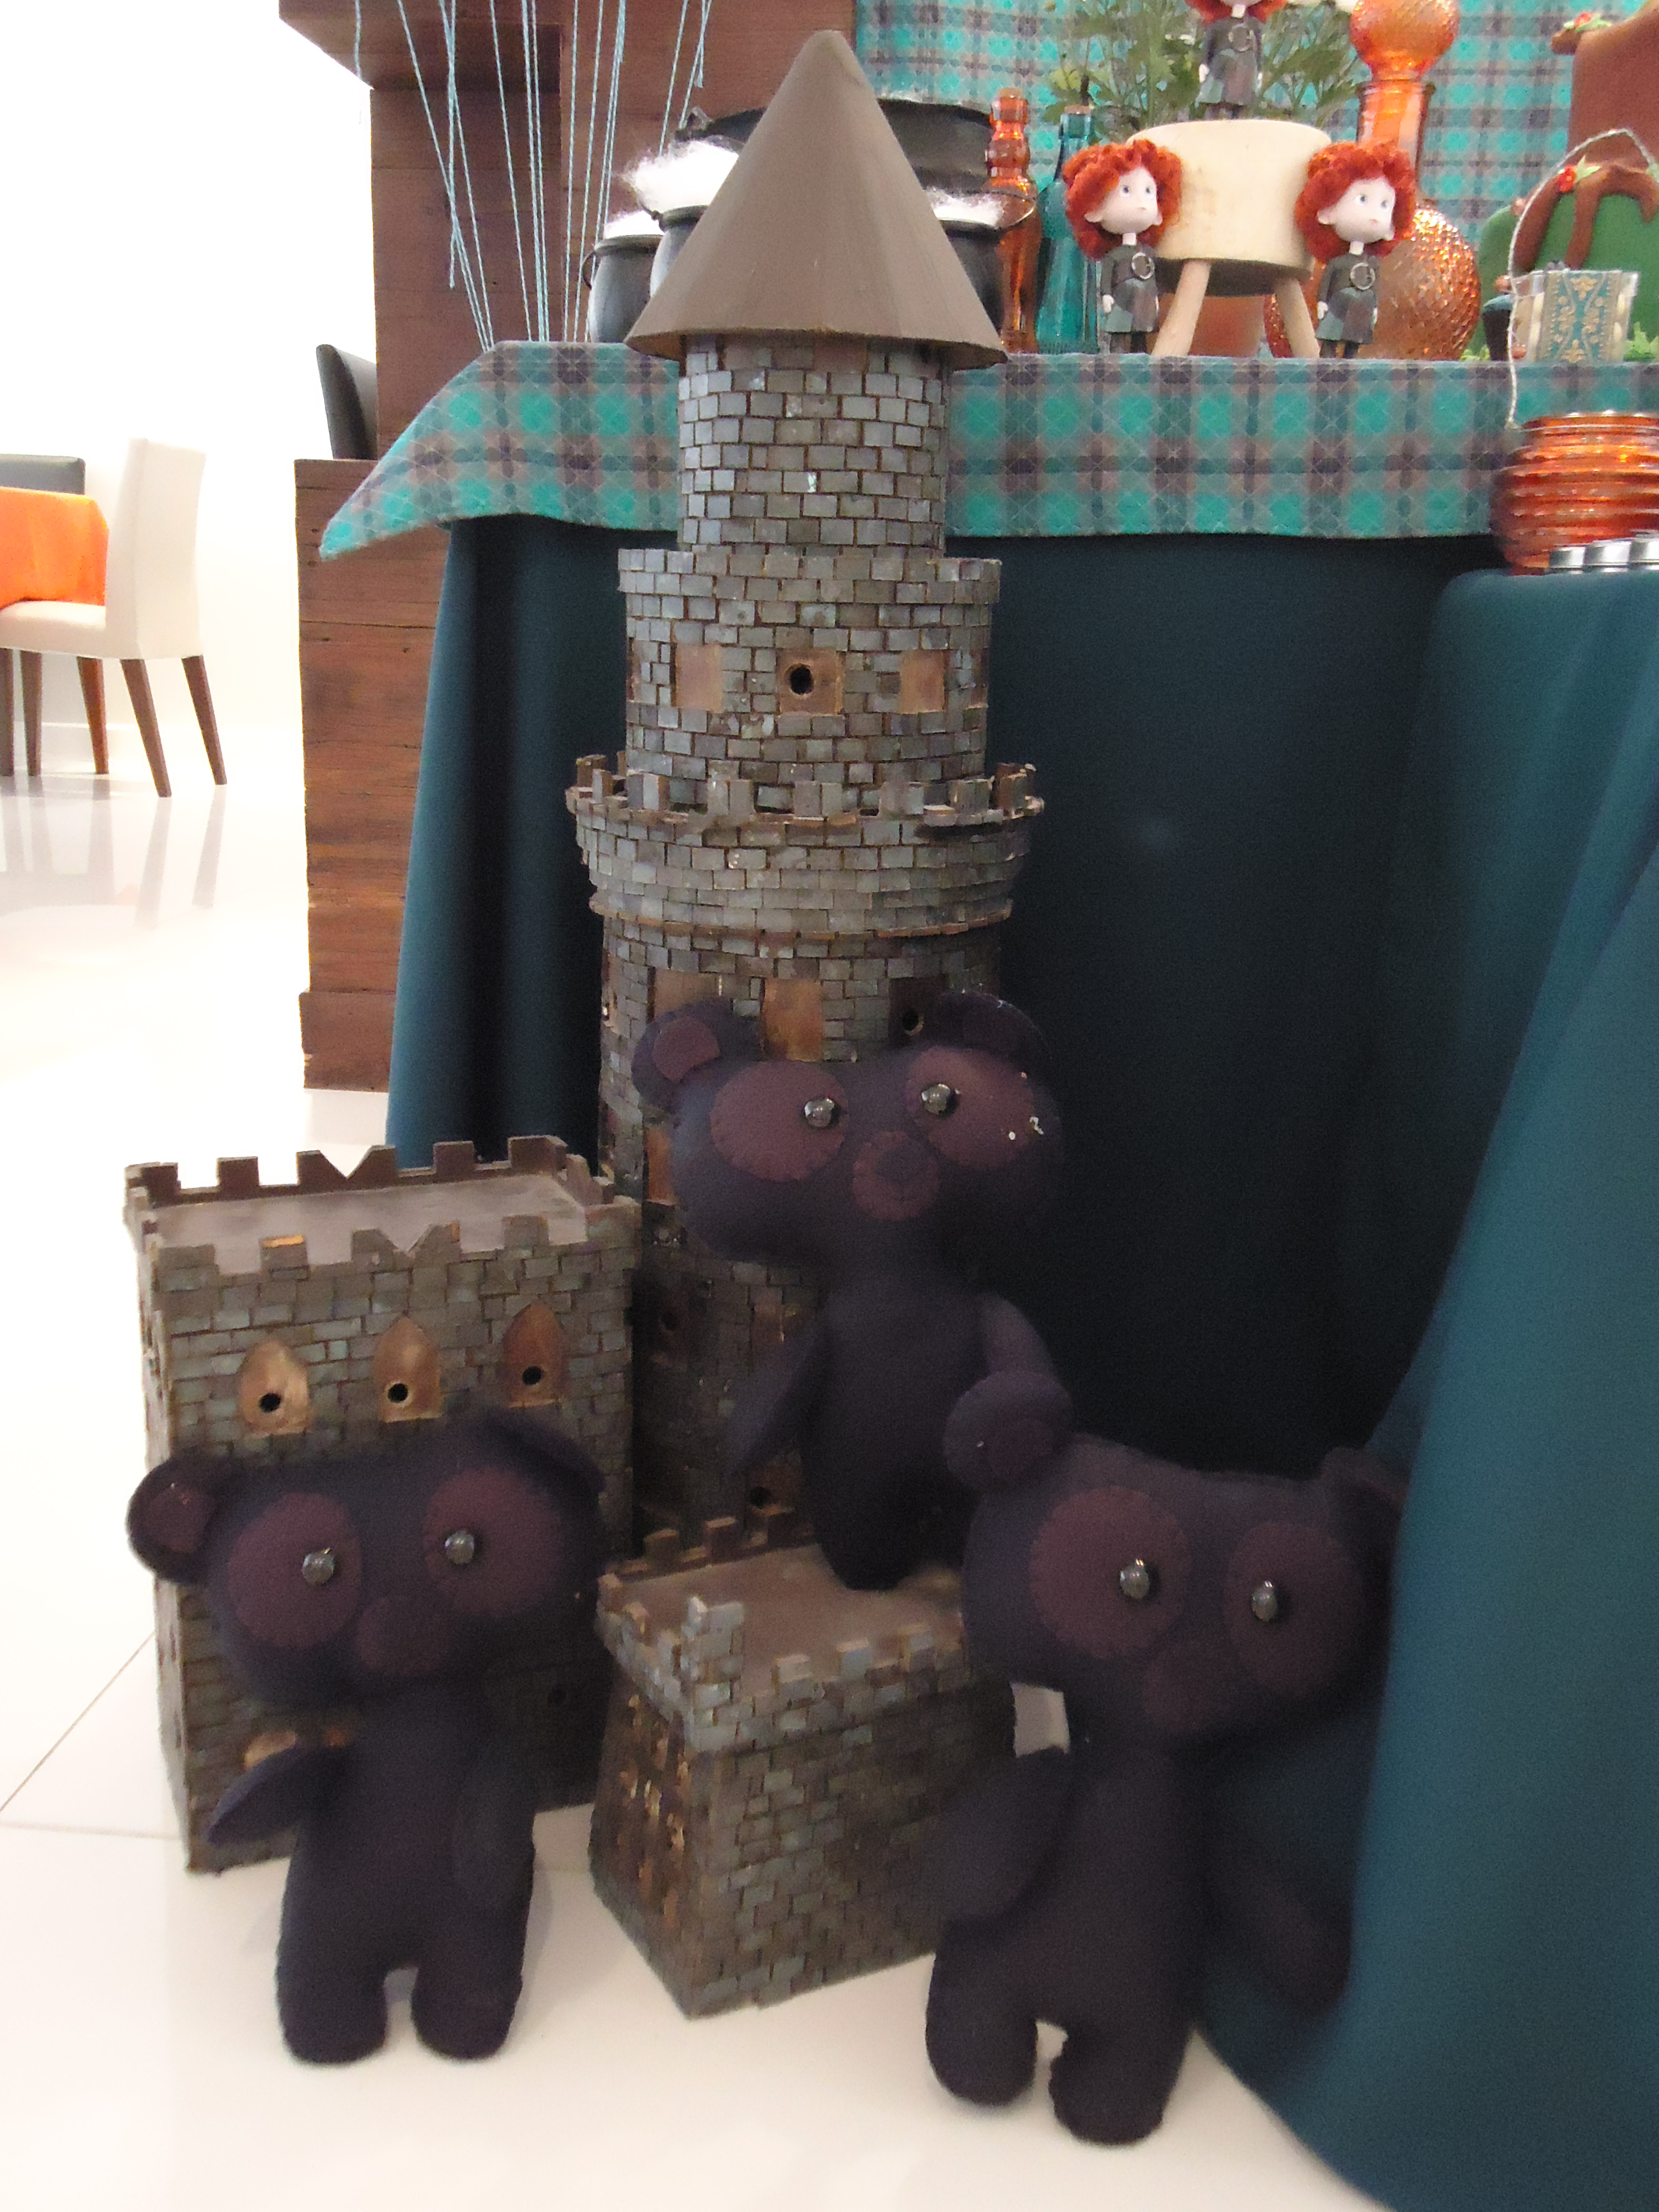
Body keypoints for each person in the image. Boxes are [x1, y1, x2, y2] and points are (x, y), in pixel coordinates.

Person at [1294, 140, 1418, 357]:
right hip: (1338, 303)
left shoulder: (1373, 264)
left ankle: (1350, 361)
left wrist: (1375, 309)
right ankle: (1328, 358)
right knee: (1331, 337)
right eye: (1363, 199)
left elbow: (1374, 287)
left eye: (1385, 205)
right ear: (1327, 212)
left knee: (1355, 339)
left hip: (1363, 305)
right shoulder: (1337, 263)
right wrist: (1322, 302)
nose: (1374, 215)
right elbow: (1327, 282)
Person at [1062, 139, 1184, 354]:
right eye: (1126, 190)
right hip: (1121, 300)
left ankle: (1140, 354)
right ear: (1095, 211)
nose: (1141, 202)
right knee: (1119, 333)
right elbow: (1107, 279)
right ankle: (1116, 353)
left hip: (1144, 301)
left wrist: (1155, 299)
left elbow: (1153, 279)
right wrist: (1107, 296)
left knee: (1141, 335)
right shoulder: (1114, 256)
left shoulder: (1148, 252)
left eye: (1149, 191)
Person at [1189, 0, 1288, 119]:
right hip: (1222, 66)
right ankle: (1212, 116)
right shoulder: (1218, 24)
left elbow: (1259, 49)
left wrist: (1259, 70)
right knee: (1216, 96)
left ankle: (1237, 118)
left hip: (1246, 67)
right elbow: (1209, 45)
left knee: (1241, 98)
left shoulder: (1254, 25)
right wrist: (1205, 64)